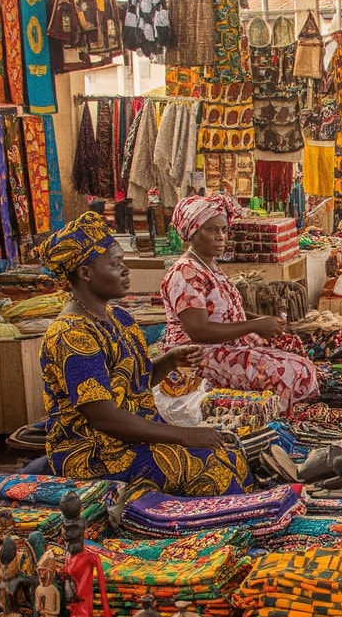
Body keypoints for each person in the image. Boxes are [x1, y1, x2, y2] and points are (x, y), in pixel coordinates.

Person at [38, 211, 251, 498]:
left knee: (231, 454)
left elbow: (133, 383)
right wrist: (185, 434)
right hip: (95, 450)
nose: (126, 271)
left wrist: (170, 360)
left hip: (129, 438)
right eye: (116, 264)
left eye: (123, 262)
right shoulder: (72, 335)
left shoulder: (119, 318)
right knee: (211, 469)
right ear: (85, 273)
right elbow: (104, 417)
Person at [160, 195, 319, 410]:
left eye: (224, 230)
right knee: (289, 370)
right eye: (212, 230)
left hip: (227, 344)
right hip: (197, 355)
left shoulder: (209, 267)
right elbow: (199, 331)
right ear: (192, 233)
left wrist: (261, 320)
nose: (221, 237)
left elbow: (228, 311)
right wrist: (255, 326)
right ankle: (275, 419)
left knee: (293, 347)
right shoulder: (185, 273)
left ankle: (286, 409)